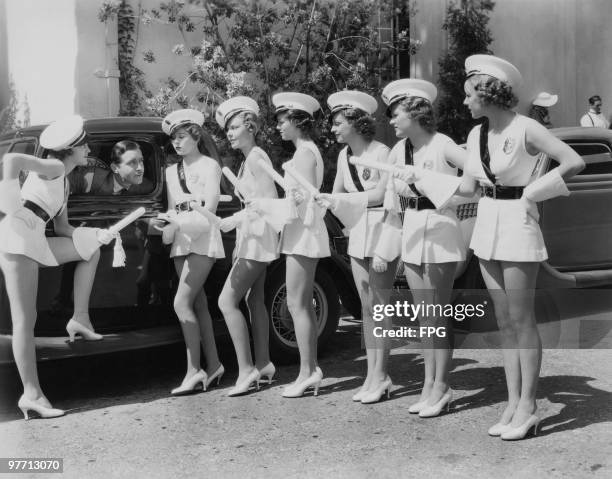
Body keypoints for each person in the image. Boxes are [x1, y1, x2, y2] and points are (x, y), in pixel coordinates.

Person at [461, 55, 584, 439]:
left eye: (469, 95)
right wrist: (413, 180)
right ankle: (512, 402)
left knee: (521, 319)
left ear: (486, 93)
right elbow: (467, 188)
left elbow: (573, 161)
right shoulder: (475, 136)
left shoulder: (526, 127)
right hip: (487, 223)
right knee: (503, 321)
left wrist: (535, 191)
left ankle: (529, 406)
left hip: (517, 222)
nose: (464, 102)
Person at [0, 115, 115, 419]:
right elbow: (10, 160)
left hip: (34, 239)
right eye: (84, 145)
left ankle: (80, 318)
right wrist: (10, 205)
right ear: (71, 149)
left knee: (91, 249)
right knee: (25, 320)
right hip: (17, 239)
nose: (88, 149)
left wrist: (93, 234)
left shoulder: (62, 180)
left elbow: (63, 228)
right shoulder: (53, 167)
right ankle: (31, 394)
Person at [381, 79, 468, 416]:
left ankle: (442, 386)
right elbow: (392, 202)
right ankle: (429, 385)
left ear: (415, 113)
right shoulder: (398, 151)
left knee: (437, 315)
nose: (391, 121)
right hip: (413, 231)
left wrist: (434, 189)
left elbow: (475, 181)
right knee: (424, 318)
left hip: (440, 228)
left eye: (396, 114)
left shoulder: (443, 144)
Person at [317, 90, 399, 404]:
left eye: (339, 123)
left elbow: (380, 195)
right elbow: (337, 193)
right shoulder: (342, 156)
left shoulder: (382, 153)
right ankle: (371, 374)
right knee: (365, 307)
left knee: (380, 303)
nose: (334, 129)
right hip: (358, 231)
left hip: (382, 230)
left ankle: (382, 374)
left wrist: (343, 200)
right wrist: (325, 200)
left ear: (355, 121)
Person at [154, 109, 225, 396]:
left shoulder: (210, 166)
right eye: (174, 139)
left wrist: (181, 220)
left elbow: (210, 210)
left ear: (196, 136)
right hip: (180, 238)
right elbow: (173, 206)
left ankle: (193, 371)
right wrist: (167, 223)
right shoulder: (172, 171)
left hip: (204, 236)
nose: (177, 143)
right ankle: (215, 365)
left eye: (182, 137)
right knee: (197, 305)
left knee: (181, 303)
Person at [215, 97, 280, 396]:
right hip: (251, 237)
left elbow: (268, 202)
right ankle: (264, 363)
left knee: (226, 302)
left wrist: (234, 221)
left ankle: (246, 370)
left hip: (258, 239)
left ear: (251, 127)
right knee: (255, 301)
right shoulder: (248, 158)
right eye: (227, 128)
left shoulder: (256, 157)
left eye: (235, 126)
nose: (229, 132)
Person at [273, 92, 330, 398]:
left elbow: (305, 197)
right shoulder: (302, 151)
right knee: (301, 303)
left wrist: (277, 208)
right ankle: (309, 370)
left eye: (283, 121)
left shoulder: (305, 152)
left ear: (297, 121)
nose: (279, 127)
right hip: (299, 231)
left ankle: (308, 371)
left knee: (297, 303)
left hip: (305, 231)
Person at [71, 140, 153, 195]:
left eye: (141, 160)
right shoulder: (90, 177)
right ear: (115, 168)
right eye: (132, 163)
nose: (140, 168)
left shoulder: (147, 188)